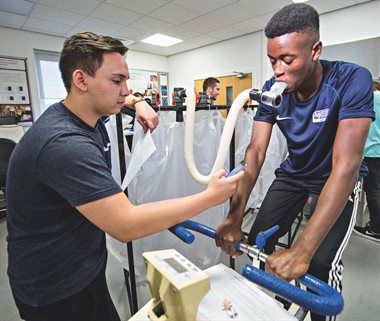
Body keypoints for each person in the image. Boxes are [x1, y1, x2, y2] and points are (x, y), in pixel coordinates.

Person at [6, 32, 244, 321]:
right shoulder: (64, 143)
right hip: (53, 289)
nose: (124, 89)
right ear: (81, 80)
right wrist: (211, 197)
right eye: (117, 81)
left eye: (126, 81)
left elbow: (122, 99)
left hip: (84, 269)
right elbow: (125, 224)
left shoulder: (84, 116)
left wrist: (138, 101)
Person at [215, 4, 374, 321]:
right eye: (272, 60)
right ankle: (271, 311)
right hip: (294, 175)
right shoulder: (274, 90)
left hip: (336, 177)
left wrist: (302, 250)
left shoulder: (351, 79)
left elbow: (345, 166)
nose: (277, 69)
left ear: (315, 50)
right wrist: (234, 216)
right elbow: (255, 153)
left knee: (318, 261)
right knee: (259, 240)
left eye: (287, 60)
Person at [354, 81, 380, 242]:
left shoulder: (369, 98)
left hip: (370, 151)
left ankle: (376, 228)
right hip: (377, 151)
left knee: (373, 191)